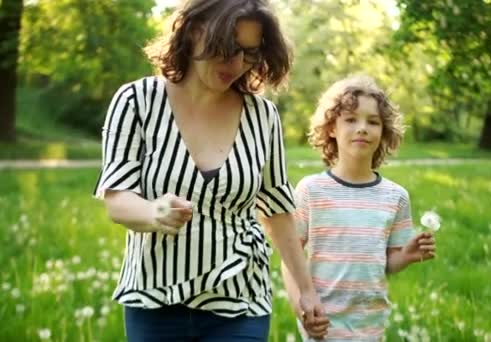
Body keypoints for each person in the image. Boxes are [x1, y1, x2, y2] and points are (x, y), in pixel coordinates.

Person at [93, 0, 328, 340]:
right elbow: (117, 201)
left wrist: (306, 291)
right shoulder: (136, 101)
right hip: (155, 300)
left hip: (240, 300)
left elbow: (277, 210)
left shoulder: (263, 117)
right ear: (193, 30)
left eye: (248, 53)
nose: (236, 64)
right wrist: (154, 211)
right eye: (227, 48)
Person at [281, 75, 436, 341]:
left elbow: (381, 264)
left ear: (383, 131)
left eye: (373, 122)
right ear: (331, 128)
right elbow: (290, 259)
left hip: (370, 326)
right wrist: (300, 307)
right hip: (321, 325)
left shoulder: (395, 196)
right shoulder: (310, 191)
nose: (362, 128)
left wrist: (406, 256)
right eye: (351, 120)